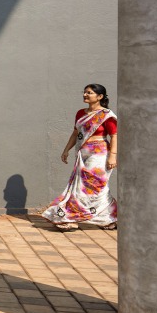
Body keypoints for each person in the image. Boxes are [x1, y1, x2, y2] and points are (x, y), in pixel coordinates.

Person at [41, 83, 118, 232]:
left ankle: (73, 217)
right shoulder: (80, 113)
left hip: (100, 154)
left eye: (89, 93)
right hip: (83, 153)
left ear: (100, 97)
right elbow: (76, 133)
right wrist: (66, 150)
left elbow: (114, 135)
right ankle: (110, 217)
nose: (85, 95)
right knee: (89, 187)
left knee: (93, 187)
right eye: (84, 92)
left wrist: (112, 157)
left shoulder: (107, 115)